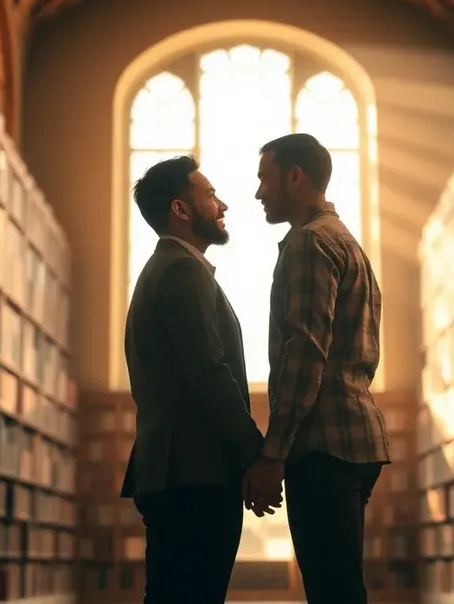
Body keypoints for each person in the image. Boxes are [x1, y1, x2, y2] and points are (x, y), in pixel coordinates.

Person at [242, 133, 391, 604]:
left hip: (324, 443)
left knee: (332, 591)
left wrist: (273, 453)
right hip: (355, 438)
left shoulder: (310, 244)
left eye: (264, 178)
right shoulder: (347, 242)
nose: (258, 192)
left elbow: (305, 355)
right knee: (340, 585)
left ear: (295, 177)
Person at [120, 155, 272, 604]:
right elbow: (208, 372)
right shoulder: (183, 271)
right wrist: (255, 454)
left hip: (178, 473)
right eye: (209, 196)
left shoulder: (167, 269)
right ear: (180, 210)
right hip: (195, 474)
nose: (222, 204)